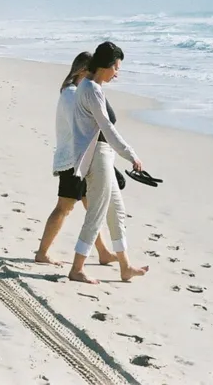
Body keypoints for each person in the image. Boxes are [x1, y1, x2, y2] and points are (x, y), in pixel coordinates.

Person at [67, 41, 148, 284]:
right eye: (116, 68)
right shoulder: (91, 89)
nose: (117, 74)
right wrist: (131, 154)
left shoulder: (90, 87)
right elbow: (107, 128)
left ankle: (125, 267)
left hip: (102, 155)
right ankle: (77, 269)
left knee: (117, 211)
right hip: (97, 155)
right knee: (97, 213)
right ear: (106, 65)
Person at [34, 52, 117, 265]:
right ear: (82, 71)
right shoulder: (72, 94)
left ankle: (103, 252)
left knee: (92, 207)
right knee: (65, 206)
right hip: (73, 161)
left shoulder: (75, 92)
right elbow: (86, 126)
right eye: (92, 72)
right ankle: (42, 253)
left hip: (81, 159)